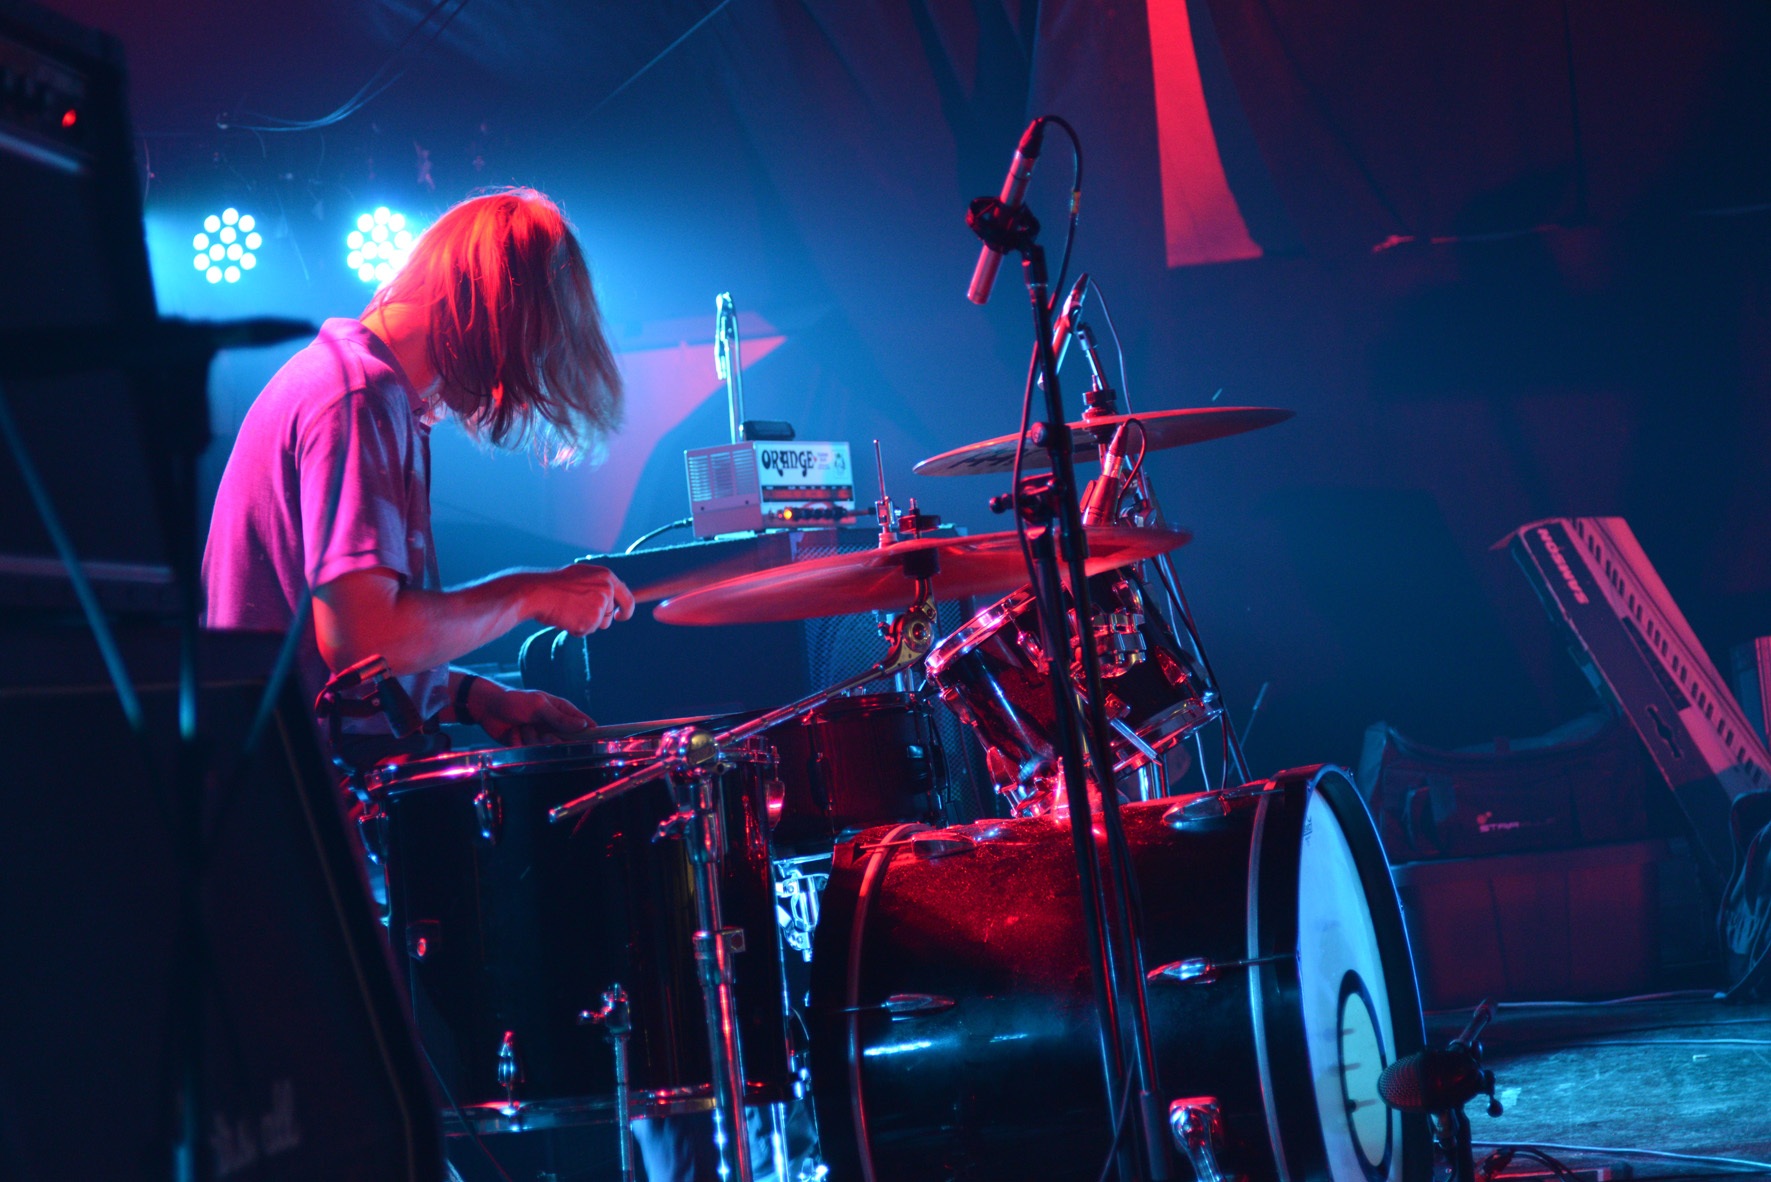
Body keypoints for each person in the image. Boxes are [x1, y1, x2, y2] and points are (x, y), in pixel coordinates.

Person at [203, 186, 634, 767]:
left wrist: (476, 697)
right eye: (530, 351)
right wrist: (530, 593)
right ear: (503, 316)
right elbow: (362, 640)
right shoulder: (358, 395)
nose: (511, 385)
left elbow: (350, 662)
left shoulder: (359, 385)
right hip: (299, 792)